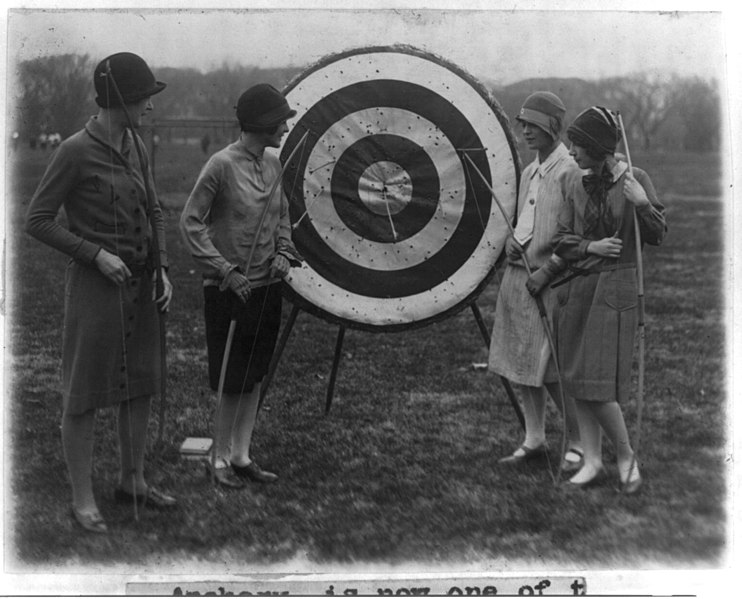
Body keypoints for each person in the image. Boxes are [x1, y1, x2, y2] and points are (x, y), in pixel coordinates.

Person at [25, 52, 176, 534]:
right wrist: (94, 254)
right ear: (122, 100)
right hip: (96, 289)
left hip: (141, 284)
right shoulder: (73, 150)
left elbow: (155, 210)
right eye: (145, 99)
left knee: (141, 386)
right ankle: (82, 498)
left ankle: (132, 481)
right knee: (85, 394)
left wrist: (164, 268)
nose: (150, 108)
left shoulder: (137, 143)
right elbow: (37, 220)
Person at [530, 106, 666, 493]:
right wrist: (592, 245)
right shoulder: (573, 180)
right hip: (576, 289)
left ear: (596, 146)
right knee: (576, 381)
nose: (571, 152)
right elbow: (561, 239)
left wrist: (641, 203)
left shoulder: (635, 179)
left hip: (615, 290)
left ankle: (626, 458)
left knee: (599, 385)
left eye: (578, 146)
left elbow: (658, 234)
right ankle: (591, 461)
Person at [180, 83, 302, 489]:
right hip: (230, 289)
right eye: (280, 120)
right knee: (232, 378)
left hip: (267, 287)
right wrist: (224, 268)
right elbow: (191, 222)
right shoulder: (220, 165)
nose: (285, 127)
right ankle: (217, 457)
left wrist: (284, 251)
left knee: (254, 376)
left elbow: (282, 216)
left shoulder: (274, 166)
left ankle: (241, 455)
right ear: (262, 124)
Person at [488, 92, 582, 471]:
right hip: (519, 278)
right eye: (523, 124)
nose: (525, 131)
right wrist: (514, 241)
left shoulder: (569, 171)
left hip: (551, 280)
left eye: (533, 125)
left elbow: (576, 231)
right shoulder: (530, 171)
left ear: (552, 127)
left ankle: (577, 441)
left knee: (552, 368)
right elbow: (525, 221)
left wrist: (550, 269)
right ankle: (535, 438)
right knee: (522, 361)